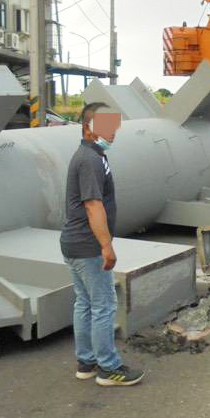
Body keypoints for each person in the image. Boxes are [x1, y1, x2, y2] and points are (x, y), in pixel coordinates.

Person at [60, 102, 144, 386]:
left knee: (85, 303)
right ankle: (109, 368)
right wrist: (106, 246)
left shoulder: (93, 155)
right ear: (88, 128)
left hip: (75, 243)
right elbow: (93, 205)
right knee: (104, 306)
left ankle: (87, 362)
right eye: (106, 126)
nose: (113, 132)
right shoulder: (90, 160)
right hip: (87, 245)